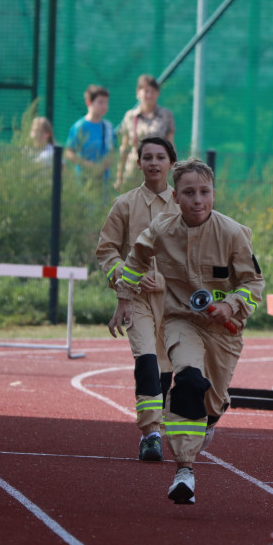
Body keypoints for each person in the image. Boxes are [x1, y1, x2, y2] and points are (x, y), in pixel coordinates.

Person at [108, 158, 263, 505]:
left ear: (214, 193)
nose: (198, 200)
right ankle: (184, 470)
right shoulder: (162, 230)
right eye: (189, 193)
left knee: (213, 399)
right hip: (180, 322)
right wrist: (124, 299)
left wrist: (232, 304)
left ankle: (211, 416)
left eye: (205, 192)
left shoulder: (233, 233)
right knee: (189, 381)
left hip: (225, 330)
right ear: (175, 197)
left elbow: (254, 282)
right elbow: (134, 264)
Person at [96, 137, 179, 462]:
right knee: (145, 358)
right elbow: (107, 251)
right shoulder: (125, 204)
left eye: (160, 157)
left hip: (175, 302)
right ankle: (151, 434)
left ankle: (165, 424)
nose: (154, 163)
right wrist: (125, 282)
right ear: (139, 162)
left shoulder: (185, 203)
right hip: (137, 299)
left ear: (171, 163)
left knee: (166, 365)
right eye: (147, 157)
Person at [114, 75, 176, 190]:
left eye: (153, 91)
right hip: (134, 169)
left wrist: (174, 171)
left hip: (159, 169)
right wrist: (119, 176)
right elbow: (125, 148)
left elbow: (171, 145)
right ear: (138, 92)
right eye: (146, 91)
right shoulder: (130, 116)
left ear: (157, 93)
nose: (149, 95)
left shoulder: (166, 115)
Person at [65, 85, 115, 179]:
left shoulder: (108, 127)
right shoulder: (79, 127)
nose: (104, 106)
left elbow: (112, 152)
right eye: (100, 102)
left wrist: (102, 166)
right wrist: (87, 164)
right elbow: (69, 152)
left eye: (106, 102)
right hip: (83, 179)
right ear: (89, 102)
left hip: (104, 180)